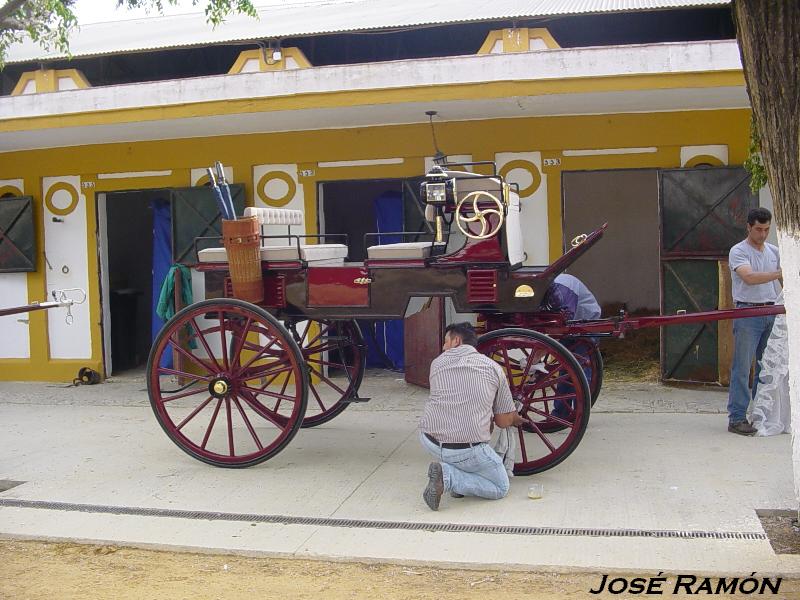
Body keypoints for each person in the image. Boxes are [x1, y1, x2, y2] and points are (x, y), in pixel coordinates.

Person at [419, 322, 523, 511]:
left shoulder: (437, 363)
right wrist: (515, 418)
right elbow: (502, 421)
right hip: (466, 449)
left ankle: (456, 476)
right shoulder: (493, 368)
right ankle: (448, 477)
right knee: (500, 487)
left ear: (456, 341)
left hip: (429, 440)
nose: (443, 347)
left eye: (445, 342)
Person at [727, 207, 782, 436]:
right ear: (749, 227)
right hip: (748, 313)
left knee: (767, 365)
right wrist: (778, 273)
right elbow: (748, 278)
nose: (763, 234)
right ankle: (737, 417)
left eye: (767, 229)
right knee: (742, 367)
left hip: (772, 310)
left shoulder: (773, 251)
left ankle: (761, 414)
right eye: (758, 229)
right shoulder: (738, 251)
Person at [541, 273, 601, 418]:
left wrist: (539, 353)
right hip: (572, 327)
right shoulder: (550, 290)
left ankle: (579, 414)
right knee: (566, 372)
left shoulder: (563, 290)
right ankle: (561, 414)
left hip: (586, 325)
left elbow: (563, 323)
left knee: (580, 371)